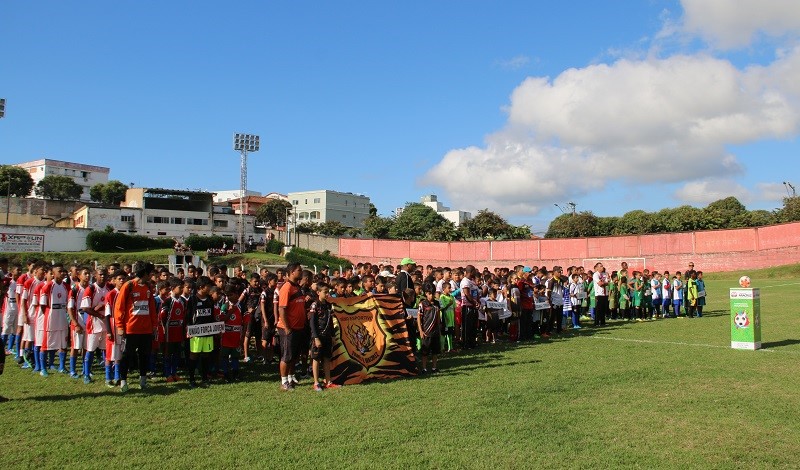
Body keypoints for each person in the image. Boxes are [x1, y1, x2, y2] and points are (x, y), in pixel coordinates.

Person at [114, 261, 158, 392]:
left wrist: (154, 325)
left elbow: (151, 308)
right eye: (150, 273)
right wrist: (120, 326)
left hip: (146, 329)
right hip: (130, 329)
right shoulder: (128, 286)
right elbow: (119, 308)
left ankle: (143, 380)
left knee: (144, 355)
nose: (151, 276)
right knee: (127, 356)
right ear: (144, 273)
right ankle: (123, 381)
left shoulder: (149, 287)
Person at [277, 262, 307, 391]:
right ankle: (284, 381)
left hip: (298, 328)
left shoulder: (297, 287)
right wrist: (287, 327)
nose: (301, 272)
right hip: (288, 328)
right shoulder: (287, 287)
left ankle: (290, 377)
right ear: (292, 272)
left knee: (294, 356)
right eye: (299, 270)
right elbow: (282, 309)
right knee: (287, 356)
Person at [185, 276, 217, 388]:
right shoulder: (192, 300)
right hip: (196, 333)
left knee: (206, 355)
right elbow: (188, 317)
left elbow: (212, 316)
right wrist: (188, 329)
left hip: (208, 332)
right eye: (208, 286)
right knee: (194, 355)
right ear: (201, 287)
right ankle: (192, 379)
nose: (210, 288)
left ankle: (204, 378)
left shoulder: (209, 300)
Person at [309, 283, 339, 391]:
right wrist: (316, 338)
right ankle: (316, 382)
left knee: (327, 358)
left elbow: (331, 322)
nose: (327, 294)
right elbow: (312, 323)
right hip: (318, 336)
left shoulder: (329, 305)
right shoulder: (314, 305)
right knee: (316, 359)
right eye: (325, 292)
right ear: (318, 293)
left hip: (327, 336)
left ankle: (328, 381)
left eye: (328, 292)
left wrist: (333, 335)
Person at [159, 278, 185, 383]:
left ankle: (174, 372)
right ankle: (167, 374)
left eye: (183, 287)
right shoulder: (168, 301)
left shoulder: (182, 301)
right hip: (169, 332)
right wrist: (164, 329)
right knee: (167, 354)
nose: (182, 289)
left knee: (176, 353)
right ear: (173, 289)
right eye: (180, 288)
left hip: (178, 331)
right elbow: (162, 317)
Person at [219, 283, 245, 382]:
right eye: (227, 295)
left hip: (237, 336)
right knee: (224, 356)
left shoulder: (241, 306)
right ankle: (226, 374)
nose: (229, 297)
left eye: (231, 295)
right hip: (226, 336)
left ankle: (236, 373)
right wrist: (230, 311)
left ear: (236, 294)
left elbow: (245, 322)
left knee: (235, 356)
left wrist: (243, 336)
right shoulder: (224, 306)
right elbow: (222, 321)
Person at [417, 282, 440, 374]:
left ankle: (434, 367)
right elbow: (419, 317)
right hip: (426, 331)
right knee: (425, 351)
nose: (431, 296)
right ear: (426, 293)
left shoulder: (437, 303)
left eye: (433, 293)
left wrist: (439, 328)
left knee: (435, 351)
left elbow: (438, 316)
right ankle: (424, 368)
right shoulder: (423, 304)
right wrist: (421, 331)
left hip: (435, 331)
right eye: (430, 294)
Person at [460, 265, 479, 349]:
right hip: (467, 306)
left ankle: (472, 343)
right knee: (467, 326)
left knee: (473, 326)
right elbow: (467, 294)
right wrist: (474, 302)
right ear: (471, 272)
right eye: (474, 271)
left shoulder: (472, 281)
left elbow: (476, 292)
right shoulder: (465, 281)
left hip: (474, 306)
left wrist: (477, 301)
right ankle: (466, 344)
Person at [438, 281, 456, 352]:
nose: (450, 289)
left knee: (450, 333)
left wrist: (454, 317)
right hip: (445, 318)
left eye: (450, 288)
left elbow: (454, 307)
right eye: (449, 288)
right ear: (444, 289)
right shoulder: (442, 297)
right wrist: (448, 304)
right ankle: (442, 348)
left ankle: (450, 348)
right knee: (443, 333)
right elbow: (442, 308)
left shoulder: (451, 296)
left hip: (451, 318)